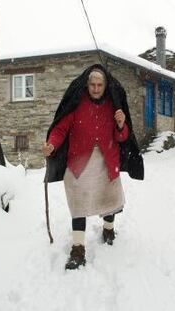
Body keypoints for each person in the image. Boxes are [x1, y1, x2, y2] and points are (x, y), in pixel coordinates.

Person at [43, 64, 144, 270]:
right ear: (87, 85)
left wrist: (121, 124)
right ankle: (78, 249)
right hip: (79, 162)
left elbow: (122, 137)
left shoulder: (113, 106)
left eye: (100, 85)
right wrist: (52, 144)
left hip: (107, 160)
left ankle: (108, 229)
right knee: (77, 202)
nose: (96, 88)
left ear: (105, 86)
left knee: (109, 198)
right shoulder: (76, 103)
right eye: (93, 85)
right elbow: (60, 129)